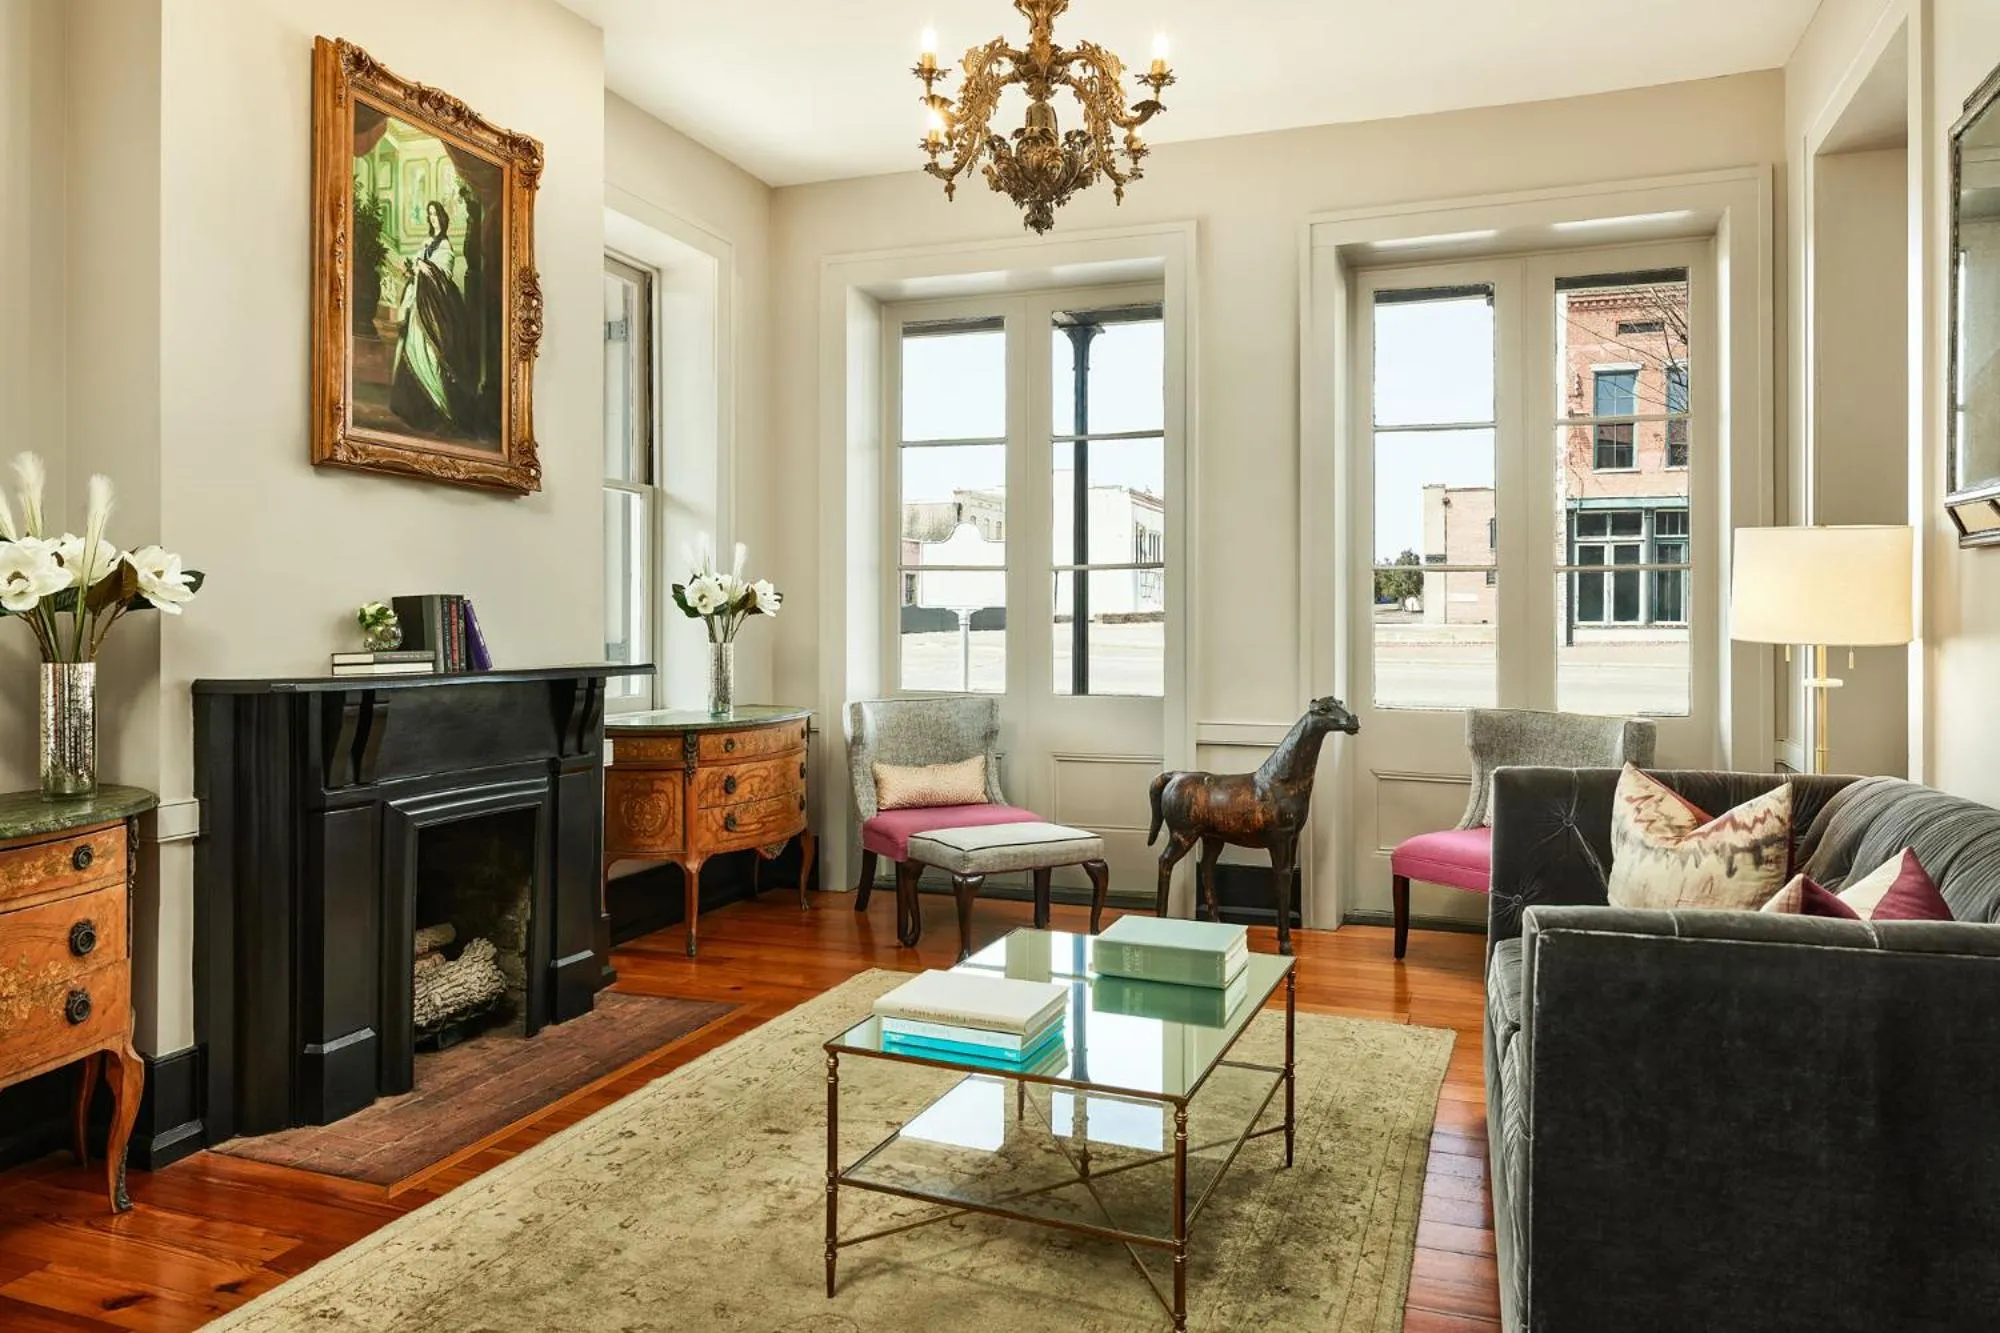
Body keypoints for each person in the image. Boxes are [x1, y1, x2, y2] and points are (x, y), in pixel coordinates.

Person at [390, 199, 472, 434]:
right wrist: (413, 268)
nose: (432, 218)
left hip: (434, 307)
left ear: (443, 218)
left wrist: (424, 268)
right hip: (417, 301)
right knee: (410, 347)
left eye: (435, 214)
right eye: (430, 215)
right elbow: (418, 266)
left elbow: (443, 274)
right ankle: (410, 407)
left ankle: (436, 407)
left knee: (428, 351)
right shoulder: (426, 242)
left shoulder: (445, 246)